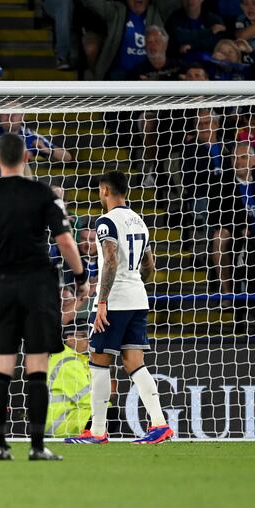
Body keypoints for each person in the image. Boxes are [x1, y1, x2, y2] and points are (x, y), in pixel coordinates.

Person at [0, 133, 89, 461]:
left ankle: (0, 446)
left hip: (1, 286)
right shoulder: (41, 193)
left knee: (1, 368)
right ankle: (36, 446)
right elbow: (66, 242)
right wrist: (82, 277)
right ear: (27, 158)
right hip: (39, 287)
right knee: (37, 369)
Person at [64, 171, 174, 445]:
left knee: (99, 362)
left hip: (115, 302)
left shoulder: (106, 222)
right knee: (134, 364)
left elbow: (110, 261)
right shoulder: (140, 221)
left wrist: (102, 302)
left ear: (104, 190)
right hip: (138, 298)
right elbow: (149, 265)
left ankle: (98, 431)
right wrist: (135, 282)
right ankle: (160, 425)